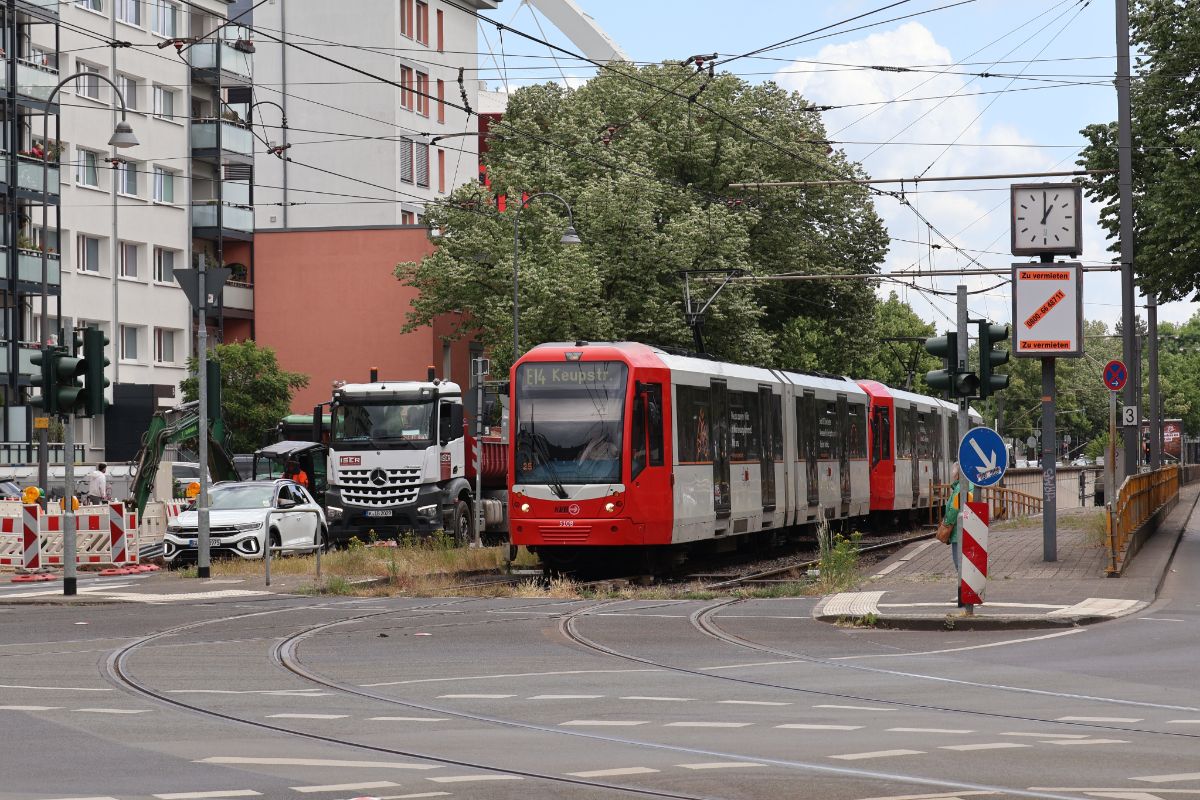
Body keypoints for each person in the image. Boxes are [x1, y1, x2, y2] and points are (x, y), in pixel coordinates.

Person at [941, 462, 974, 615]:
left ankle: (963, 594)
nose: (952, 476)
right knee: (964, 563)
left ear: (957, 475)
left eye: (953, 474)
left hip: (957, 533)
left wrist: (946, 524)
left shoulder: (960, 488)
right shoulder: (968, 486)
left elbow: (954, 508)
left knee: (959, 564)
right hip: (967, 529)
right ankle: (966, 592)